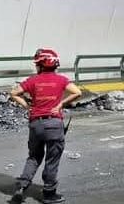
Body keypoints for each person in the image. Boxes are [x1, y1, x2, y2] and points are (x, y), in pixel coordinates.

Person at [10, 48, 82, 204]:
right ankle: (49, 194)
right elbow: (77, 92)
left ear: (41, 65)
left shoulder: (32, 80)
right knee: (52, 159)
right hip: (54, 124)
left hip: (36, 123)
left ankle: (22, 187)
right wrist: (61, 104)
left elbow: (14, 93)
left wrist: (28, 107)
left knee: (34, 156)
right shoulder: (62, 80)